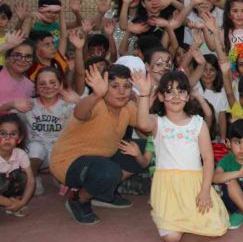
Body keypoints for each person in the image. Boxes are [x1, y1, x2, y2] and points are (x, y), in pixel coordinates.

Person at [134, 70, 228, 241]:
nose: (176, 96)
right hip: (167, 188)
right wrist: (144, 94)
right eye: (169, 91)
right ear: (161, 96)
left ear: (188, 95)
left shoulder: (198, 123)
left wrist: (205, 191)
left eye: (181, 91)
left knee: (215, 230)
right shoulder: (157, 122)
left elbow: (208, 159)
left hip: (195, 185)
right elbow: (141, 123)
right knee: (172, 237)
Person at [50, 64, 147, 225]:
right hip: (68, 163)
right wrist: (96, 95)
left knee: (144, 148)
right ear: (104, 88)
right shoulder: (95, 104)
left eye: (126, 86)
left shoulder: (128, 108)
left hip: (102, 160)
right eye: (114, 86)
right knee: (108, 171)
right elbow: (80, 112)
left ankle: (101, 193)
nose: (121, 91)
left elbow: (147, 125)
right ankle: (79, 199)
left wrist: (145, 95)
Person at [21, 67, 80, 196]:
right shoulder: (28, 105)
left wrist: (80, 102)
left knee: (65, 182)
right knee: (35, 148)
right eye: (42, 84)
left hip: (60, 154)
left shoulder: (70, 105)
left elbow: (94, 118)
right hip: (36, 154)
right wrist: (11, 105)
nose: (48, 87)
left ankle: (58, 175)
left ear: (60, 84)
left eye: (53, 82)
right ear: (36, 88)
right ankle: (33, 178)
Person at [0, 114, 35, 217]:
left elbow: (31, 181)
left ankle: (15, 201)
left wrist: (22, 203)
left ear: (19, 139)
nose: (8, 138)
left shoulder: (20, 154)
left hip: (7, 190)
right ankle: (10, 204)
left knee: (22, 175)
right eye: (3, 134)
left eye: (13, 134)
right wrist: (10, 204)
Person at [0, 38, 35, 113]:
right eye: (17, 55)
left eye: (28, 56)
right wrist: (6, 45)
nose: (23, 60)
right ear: (7, 58)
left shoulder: (31, 87)